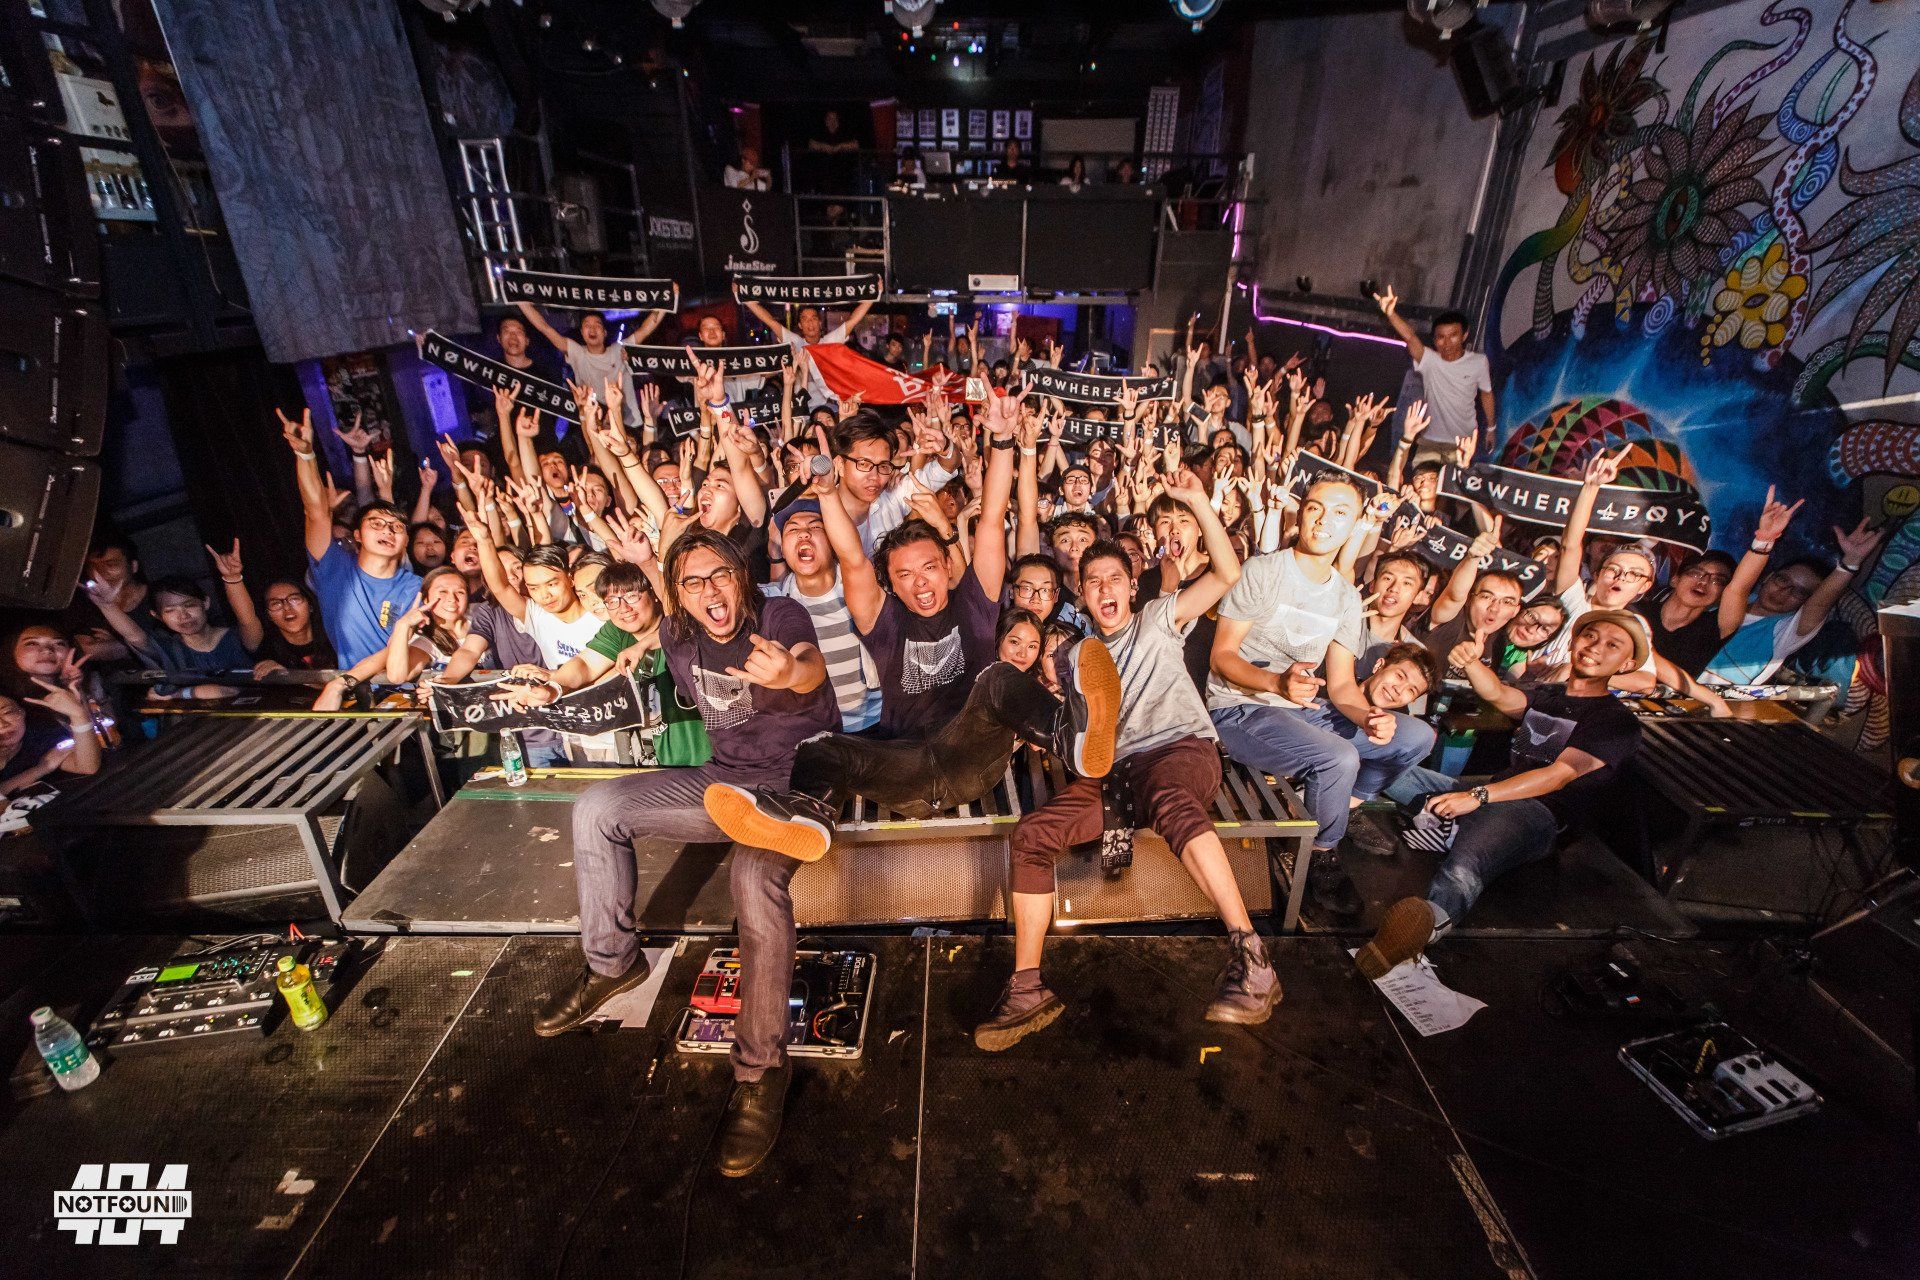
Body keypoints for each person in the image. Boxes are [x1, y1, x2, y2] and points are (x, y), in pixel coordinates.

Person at [701, 390, 1121, 861]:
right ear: (891, 584)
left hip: (971, 757)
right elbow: (852, 558)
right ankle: (809, 817)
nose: (920, 583)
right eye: (904, 575)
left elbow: (990, 520)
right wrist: (827, 495)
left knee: (999, 678)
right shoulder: (883, 619)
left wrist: (1003, 440)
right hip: (905, 768)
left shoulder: (975, 602)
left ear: (947, 565)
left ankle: (1069, 735)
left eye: (929, 568)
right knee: (820, 747)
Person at [536, 529, 836, 1180]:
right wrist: (552, 685)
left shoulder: (778, 614)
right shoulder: (676, 632)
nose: (711, 590)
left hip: (799, 779)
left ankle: (761, 1071)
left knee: (753, 879)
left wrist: (789, 674)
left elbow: (808, 663)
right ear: (677, 592)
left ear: (742, 576)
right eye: (694, 581)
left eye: (721, 574)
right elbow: (627, 633)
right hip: (724, 783)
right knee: (596, 809)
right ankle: (613, 965)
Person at [975, 477, 1270, 1051]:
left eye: (1115, 578)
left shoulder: (1159, 618)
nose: (1104, 588)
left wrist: (1198, 502)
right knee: (1031, 836)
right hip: (1116, 775)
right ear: (1082, 595)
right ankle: (1027, 987)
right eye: (1093, 582)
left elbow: (1228, 574)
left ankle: (1251, 954)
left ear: (1133, 586)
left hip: (1180, 751)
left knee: (1168, 797)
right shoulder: (1075, 657)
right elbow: (1077, 735)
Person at [1356, 610, 1647, 977]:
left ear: (1627, 664)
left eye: (1612, 645)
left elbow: (1558, 776)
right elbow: (1497, 693)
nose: (1595, 647)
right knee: (1395, 768)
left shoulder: (1616, 721)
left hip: (1536, 814)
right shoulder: (1550, 695)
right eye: (1590, 636)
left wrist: (1477, 797)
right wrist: (1471, 662)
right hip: (1491, 794)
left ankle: (1426, 923)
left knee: (1466, 863)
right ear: (1575, 641)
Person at [1208, 479, 1437, 917]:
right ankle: (1319, 853)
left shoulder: (1346, 597)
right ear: (1302, 514)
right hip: (1240, 708)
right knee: (1338, 758)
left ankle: (1345, 807)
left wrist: (1368, 718)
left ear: (1354, 526)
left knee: (1415, 737)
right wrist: (1274, 683)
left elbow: (1343, 686)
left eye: (1338, 512)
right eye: (1314, 507)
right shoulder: (1264, 571)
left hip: (1304, 708)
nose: (1323, 520)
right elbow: (1222, 657)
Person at [280, 406, 422, 668]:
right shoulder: (334, 568)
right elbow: (316, 512)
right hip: (355, 686)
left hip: (406, 684)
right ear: (357, 535)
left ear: (405, 541)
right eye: (376, 524)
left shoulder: (415, 586)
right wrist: (305, 454)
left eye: (397, 527)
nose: (387, 530)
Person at [1705, 487, 1881, 686]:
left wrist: (1850, 563)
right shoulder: (1718, 604)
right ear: (1769, 577)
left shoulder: (1784, 633)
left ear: (1805, 602)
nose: (1785, 591)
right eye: (1783, 580)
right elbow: (1738, 587)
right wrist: (1765, 537)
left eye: (1798, 592)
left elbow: (1819, 604)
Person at [1372, 286, 1494, 468]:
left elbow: (1486, 393)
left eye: (1453, 336)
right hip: (1429, 441)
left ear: (1465, 335)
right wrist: (1391, 313)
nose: (1447, 343)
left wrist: (1491, 427)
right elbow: (1410, 337)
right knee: (1421, 483)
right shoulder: (1429, 360)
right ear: (1435, 340)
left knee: (1450, 485)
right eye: (1441, 337)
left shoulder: (1478, 362)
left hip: (1462, 443)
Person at [252, 579, 337, 675]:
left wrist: (288, 674)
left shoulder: (334, 639)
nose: (286, 607)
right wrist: (277, 675)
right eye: (276, 603)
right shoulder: (266, 650)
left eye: (294, 599)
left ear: (310, 606)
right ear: (268, 615)